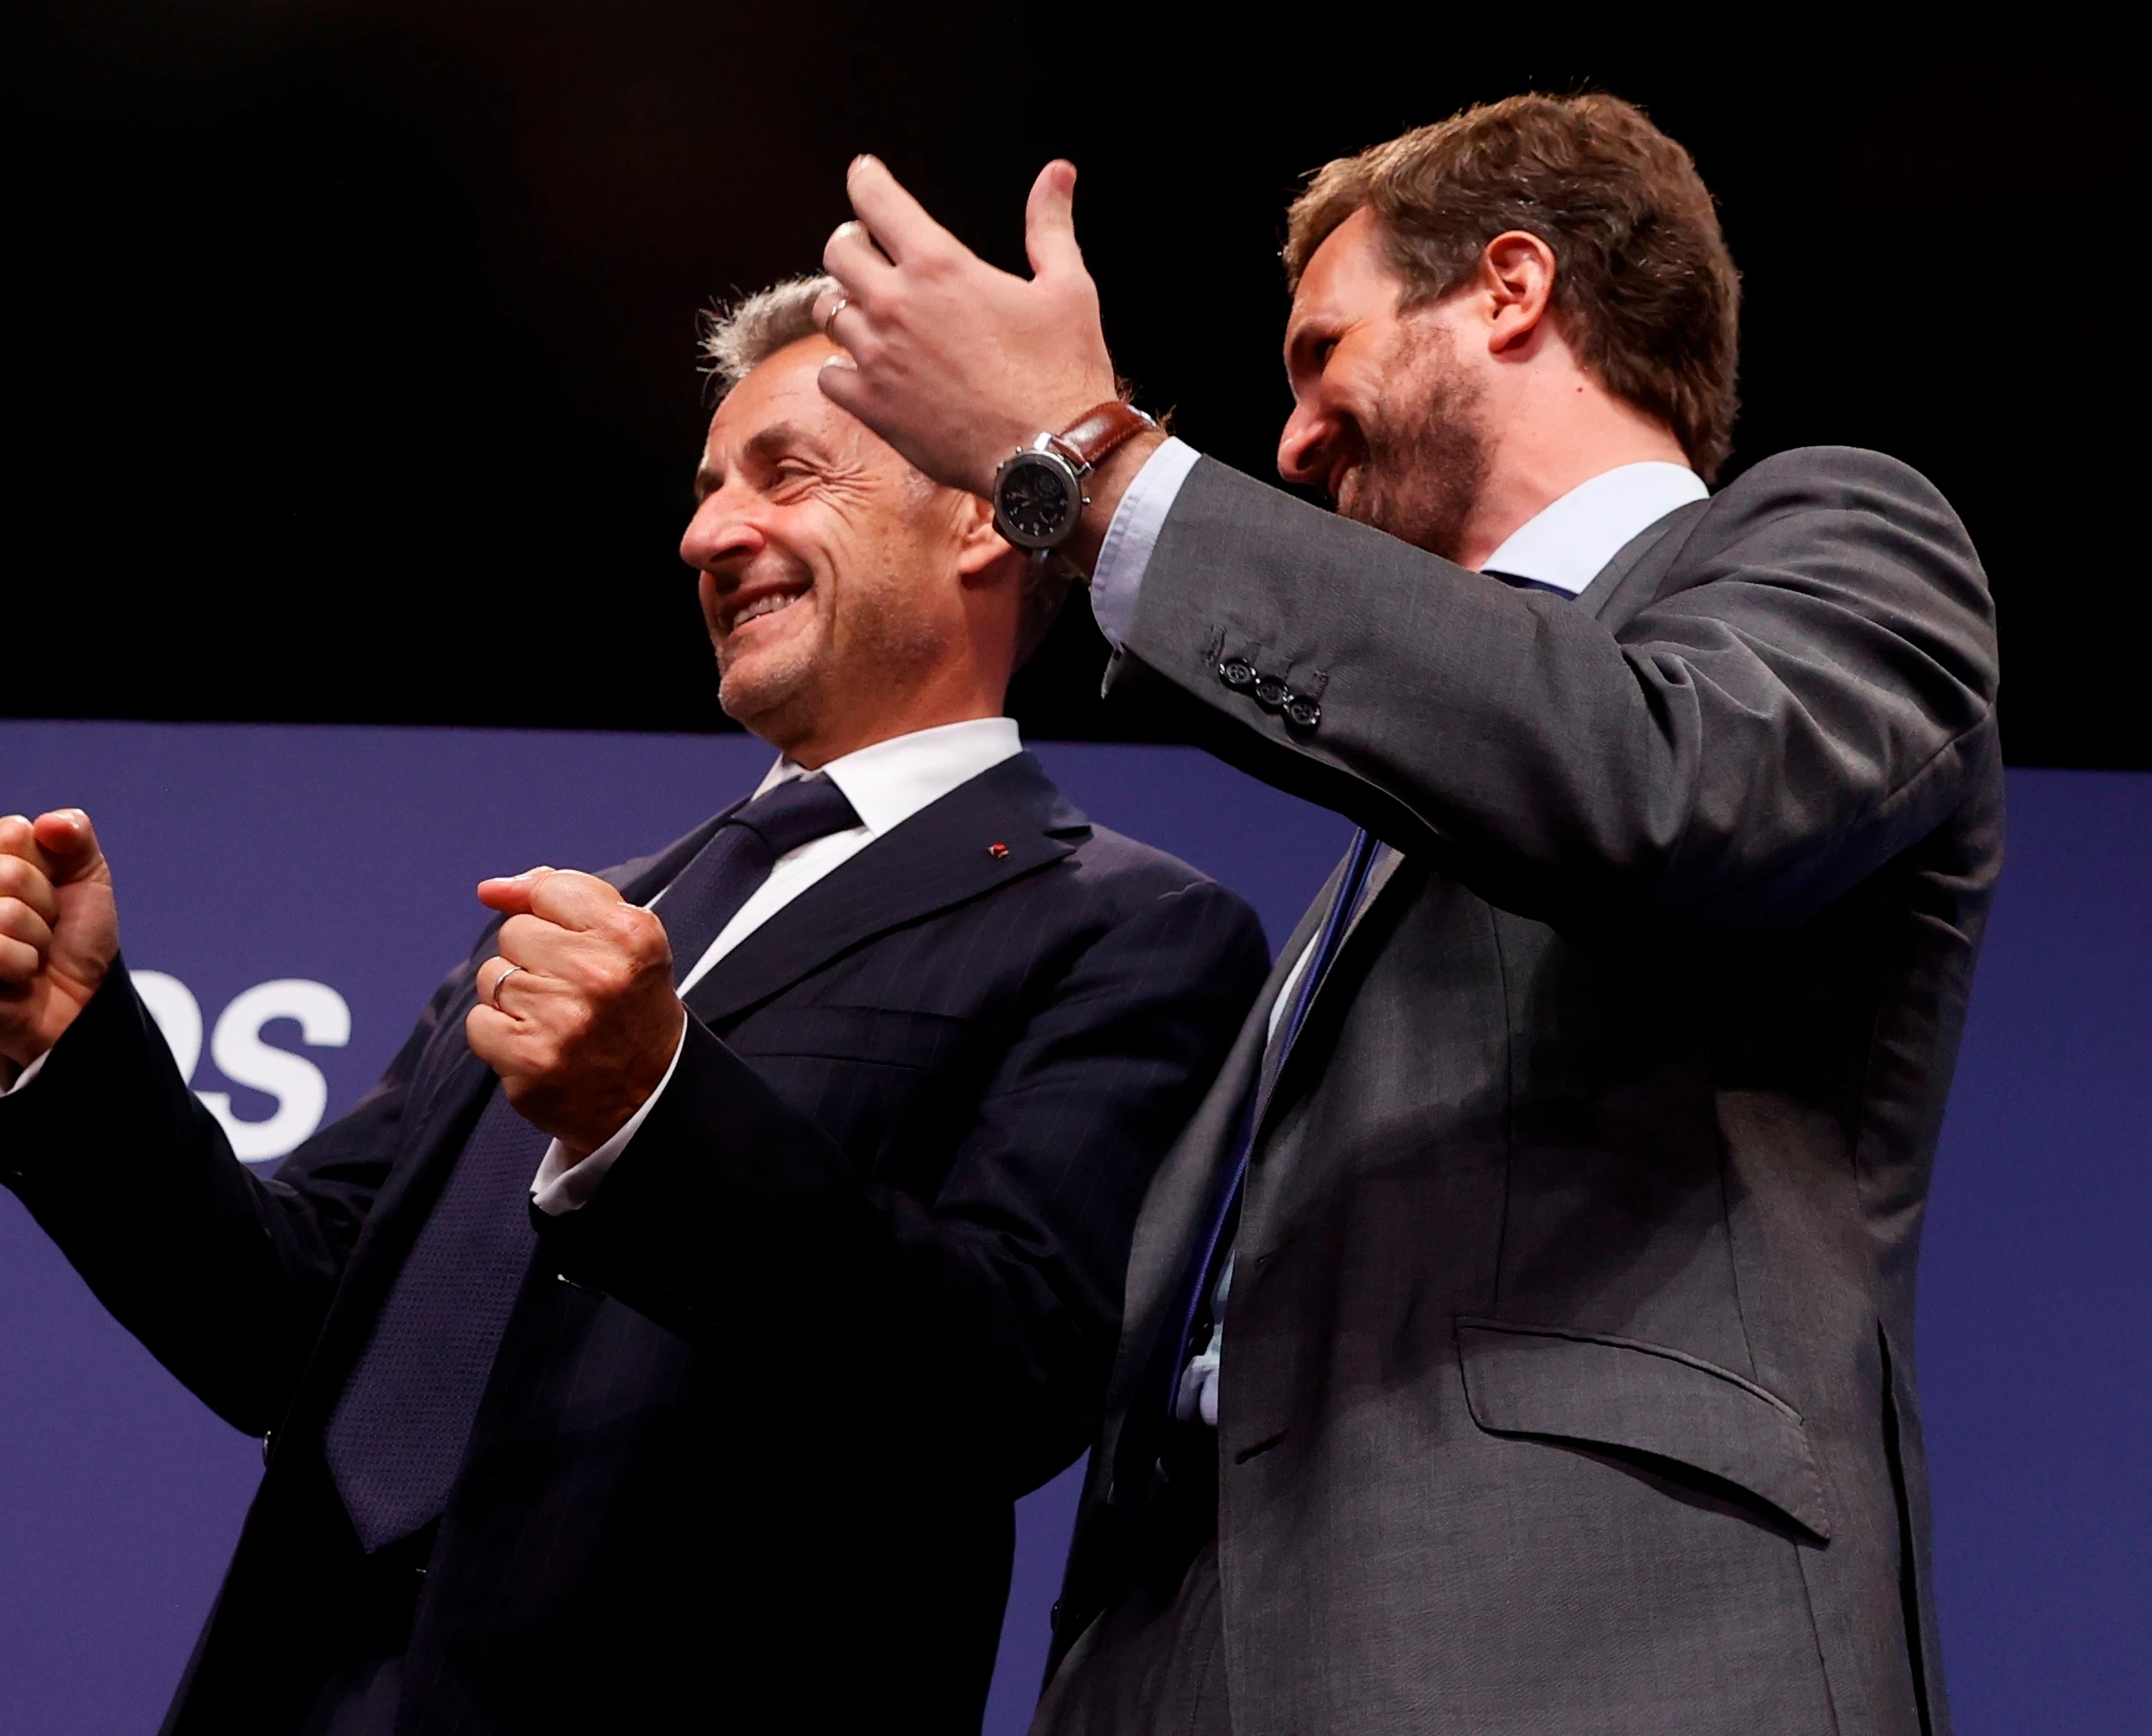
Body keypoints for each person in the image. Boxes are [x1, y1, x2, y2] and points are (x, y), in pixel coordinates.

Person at [0, 285, 1269, 1735]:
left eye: (788, 473)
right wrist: (73, 1045)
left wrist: (659, 1111)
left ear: (985, 519)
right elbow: (295, 1318)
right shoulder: (602, 909)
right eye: (702, 492)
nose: (706, 536)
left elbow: (1001, 1377)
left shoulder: (1128, 928)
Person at [808, 93, 1998, 1734]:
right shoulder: (1392, 834)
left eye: (1318, 355)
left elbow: (1664, 788)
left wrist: (1097, 466)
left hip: (1585, 1644)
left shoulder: (1845, 542)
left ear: (1511, 287)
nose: (1292, 440)